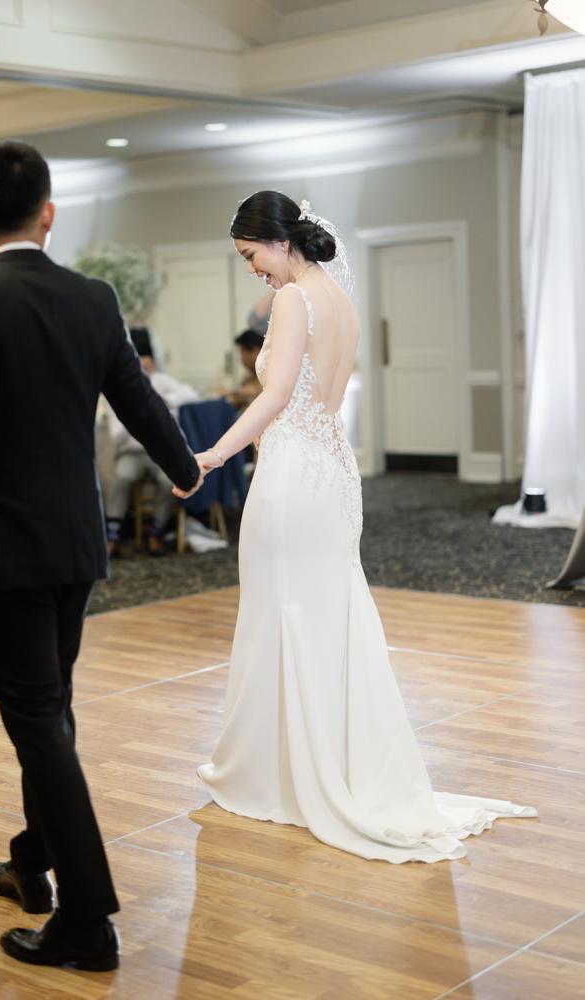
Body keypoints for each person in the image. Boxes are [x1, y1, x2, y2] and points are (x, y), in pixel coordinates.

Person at [0, 139, 200, 970]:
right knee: (48, 709)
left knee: (36, 719)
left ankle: (87, 919)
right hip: (75, 541)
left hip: (3, 548)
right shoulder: (94, 298)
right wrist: (184, 467)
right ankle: (31, 860)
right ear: (49, 214)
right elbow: (136, 399)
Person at [177, 191, 535, 863]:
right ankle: (330, 761)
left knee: (279, 612)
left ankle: (276, 773)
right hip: (334, 474)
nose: (252, 269)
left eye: (251, 255)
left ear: (279, 241)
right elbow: (319, 399)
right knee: (328, 612)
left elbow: (277, 395)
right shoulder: (339, 300)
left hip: (292, 479)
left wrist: (213, 455)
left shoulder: (292, 300)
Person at [105, 327, 200, 557]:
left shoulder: (161, 382)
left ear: (154, 366)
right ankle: (112, 536)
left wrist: (163, 400)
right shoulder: (119, 388)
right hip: (131, 452)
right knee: (121, 477)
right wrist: (136, 413)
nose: (144, 374)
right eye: (140, 369)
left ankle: (156, 532)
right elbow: (116, 436)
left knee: (170, 480)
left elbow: (193, 394)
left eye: (147, 369)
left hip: (158, 450)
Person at [221, 330, 264, 413]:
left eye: (242, 353)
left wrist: (234, 390)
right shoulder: (249, 375)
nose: (241, 359)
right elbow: (236, 403)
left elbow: (259, 392)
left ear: (255, 352)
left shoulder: (270, 372)